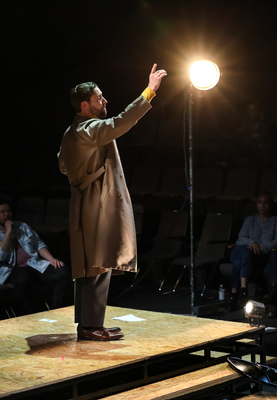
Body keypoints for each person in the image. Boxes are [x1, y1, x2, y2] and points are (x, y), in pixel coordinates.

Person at [58, 64, 167, 341]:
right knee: (97, 262)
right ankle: (90, 326)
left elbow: (61, 164)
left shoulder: (73, 131)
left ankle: (90, 323)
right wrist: (149, 92)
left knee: (95, 263)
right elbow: (121, 122)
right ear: (85, 105)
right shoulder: (89, 129)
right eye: (99, 98)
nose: (104, 101)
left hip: (87, 199)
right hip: (94, 201)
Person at [0, 202, 67, 315]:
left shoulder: (22, 226)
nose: (7, 214)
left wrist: (51, 259)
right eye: (2, 212)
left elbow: (39, 245)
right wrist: (8, 232)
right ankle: (32, 314)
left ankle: (57, 309)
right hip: (15, 269)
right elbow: (1, 255)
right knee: (25, 281)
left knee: (62, 271)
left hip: (35, 263)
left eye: (8, 211)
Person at [229, 192, 277, 311]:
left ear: (271, 205)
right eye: (260, 203)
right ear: (256, 205)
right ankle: (241, 293)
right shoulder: (250, 219)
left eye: (266, 203)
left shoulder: (276, 220)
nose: (262, 206)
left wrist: (263, 248)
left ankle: (235, 296)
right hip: (247, 253)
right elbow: (241, 238)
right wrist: (252, 243)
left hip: (262, 255)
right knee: (243, 255)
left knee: (238, 263)